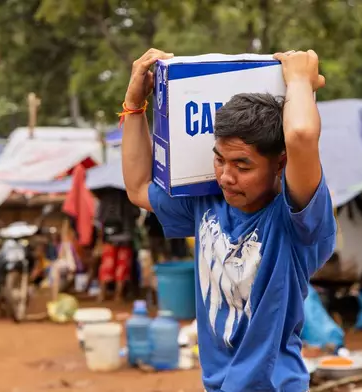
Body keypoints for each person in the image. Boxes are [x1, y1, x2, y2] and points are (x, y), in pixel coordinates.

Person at [121, 48, 336, 392]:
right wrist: (134, 106)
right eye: (219, 160)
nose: (226, 177)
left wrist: (298, 79)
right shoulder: (207, 203)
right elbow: (136, 189)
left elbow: (301, 137)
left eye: (243, 165)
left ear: (280, 165)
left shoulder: (297, 220)